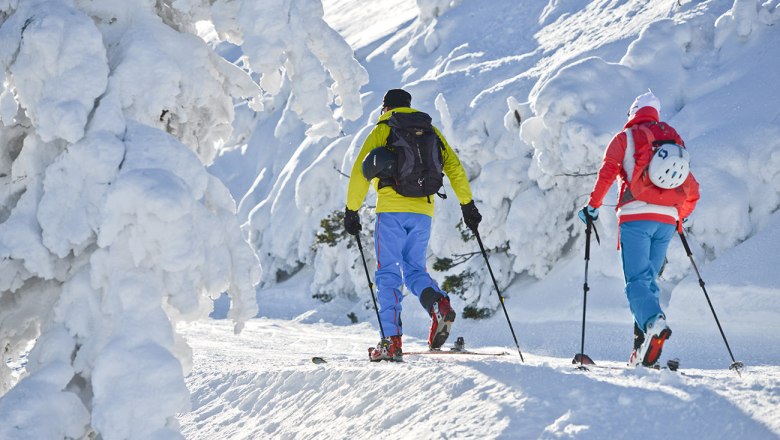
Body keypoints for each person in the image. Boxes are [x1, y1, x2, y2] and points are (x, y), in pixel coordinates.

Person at [344, 88, 482, 362]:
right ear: (408, 106)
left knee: (388, 274)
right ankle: (438, 303)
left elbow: (361, 172)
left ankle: (391, 342)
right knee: (414, 269)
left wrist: (351, 210)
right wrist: (468, 204)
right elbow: (454, 167)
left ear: (386, 108)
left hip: (391, 212)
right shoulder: (429, 130)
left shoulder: (384, 129)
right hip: (423, 210)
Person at [579, 90, 699, 367]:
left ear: (633, 112)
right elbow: (692, 188)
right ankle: (642, 349)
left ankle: (654, 324)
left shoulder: (625, 138)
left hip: (636, 217)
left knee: (636, 281)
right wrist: (679, 217)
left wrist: (593, 206)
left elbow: (607, 172)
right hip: (667, 220)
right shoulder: (673, 140)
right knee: (648, 282)